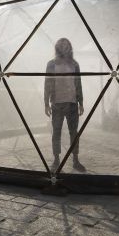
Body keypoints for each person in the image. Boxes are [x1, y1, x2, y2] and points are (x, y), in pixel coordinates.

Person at [44, 38, 86, 172]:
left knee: (74, 133)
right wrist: (46, 103)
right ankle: (56, 160)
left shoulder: (75, 64)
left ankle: (75, 160)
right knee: (56, 132)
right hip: (57, 104)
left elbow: (78, 84)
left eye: (66, 44)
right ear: (57, 47)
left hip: (72, 103)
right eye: (61, 45)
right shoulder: (51, 64)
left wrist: (81, 103)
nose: (64, 47)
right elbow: (47, 84)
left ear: (70, 47)